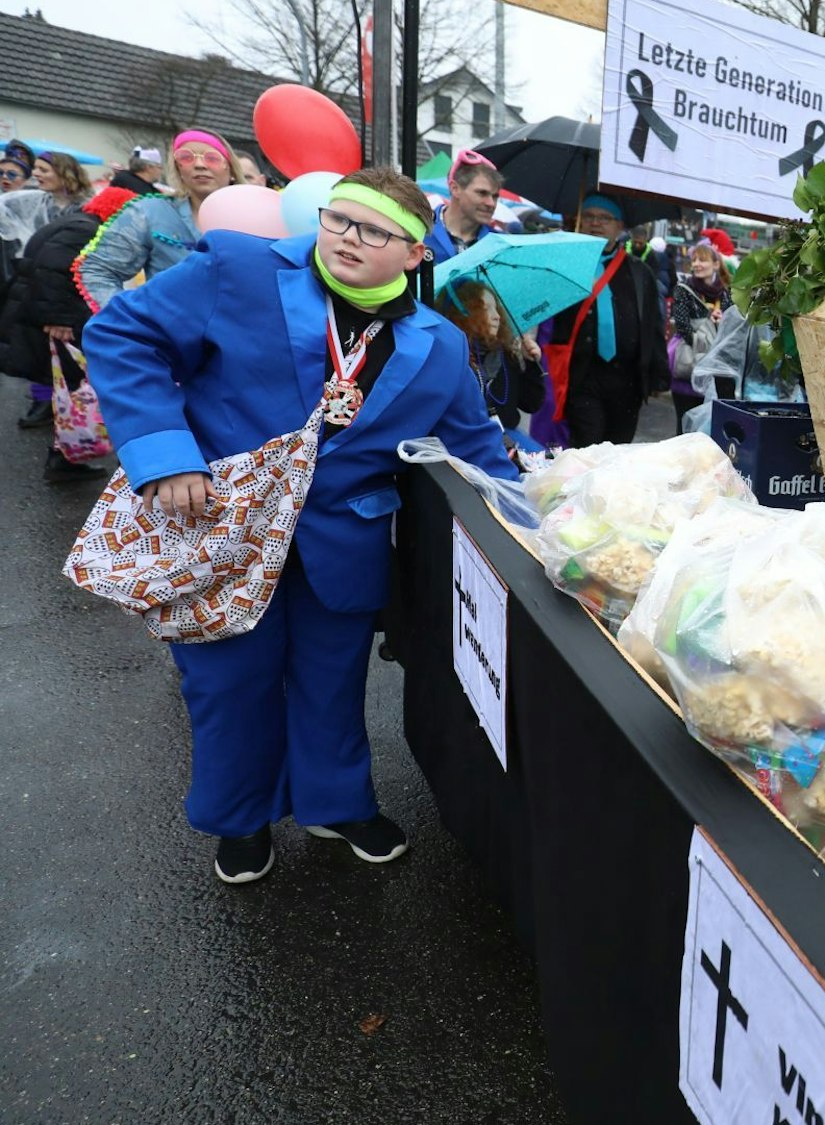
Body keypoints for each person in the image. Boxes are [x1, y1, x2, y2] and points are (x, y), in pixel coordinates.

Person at [82, 166, 517, 885]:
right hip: (222, 528)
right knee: (229, 685)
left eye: (373, 230)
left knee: (332, 683)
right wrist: (164, 455)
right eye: (338, 219)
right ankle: (240, 817)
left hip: (342, 541)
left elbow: (476, 447)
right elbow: (123, 335)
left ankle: (335, 804)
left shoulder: (439, 343)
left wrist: (548, 507)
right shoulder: (239, 268)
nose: (347, 238)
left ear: (415, 252)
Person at [1, 186, 137, 480]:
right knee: (74, 388)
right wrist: (58, 318)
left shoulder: (78, 224)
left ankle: (66, 457)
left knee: (68, 387)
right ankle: (66, 459)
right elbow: (52, 270)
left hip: (39, 312)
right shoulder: (85, 231)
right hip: (54, 318)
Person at [75, 129, 244, 313]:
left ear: (231, 169)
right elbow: (96, 269)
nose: (199, 164)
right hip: (172, 329)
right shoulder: (150, 212)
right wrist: (131, 320)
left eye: (211, 158)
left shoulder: (258, 215)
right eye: (186, 157)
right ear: (178, 168)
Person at [549, 193, 671, 446]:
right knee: (588, 446)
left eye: (605, 218)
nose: (596, 223)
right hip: (582, 375)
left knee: (618, 450)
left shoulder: (640, 271)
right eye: (589, 216)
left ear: (619, 226)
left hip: (628, 379)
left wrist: (659, 373)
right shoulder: (567, 266)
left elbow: (653, 324)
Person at [1, 151, 92, 427]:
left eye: (44, 169)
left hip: (67, 288)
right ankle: (43, 400)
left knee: (65, 352)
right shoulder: (34, 200)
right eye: (36, 169)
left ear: (65, 173)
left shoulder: (86, 207)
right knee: (37, 348)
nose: (37, 174)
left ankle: (67, 406)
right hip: (35, 282)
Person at [439, 278, 545, 436]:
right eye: (486, 308)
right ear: (463, 312)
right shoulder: (452, 358)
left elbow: (531, 403)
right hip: (468, 440)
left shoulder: (505, 354)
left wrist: (530, 362)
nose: (497, 316)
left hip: (508, 440)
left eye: (496, 308)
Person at [670, 236, 732, 418]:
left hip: (717, 368)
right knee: (685, 421)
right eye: (694, 260)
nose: (696, 264)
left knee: (710, 423)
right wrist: (704, 344)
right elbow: (682, 324)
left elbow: (734, 326)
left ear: (716, 264)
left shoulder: (727, 292)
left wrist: (722, 320)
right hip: (690, 362)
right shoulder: (684, 289)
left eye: (702, 260)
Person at [423, 150, 501, 266]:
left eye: (495, 196)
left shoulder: (498, 244)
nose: (491, 203)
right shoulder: (420, 232)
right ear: (455, 189)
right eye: (482, 193)